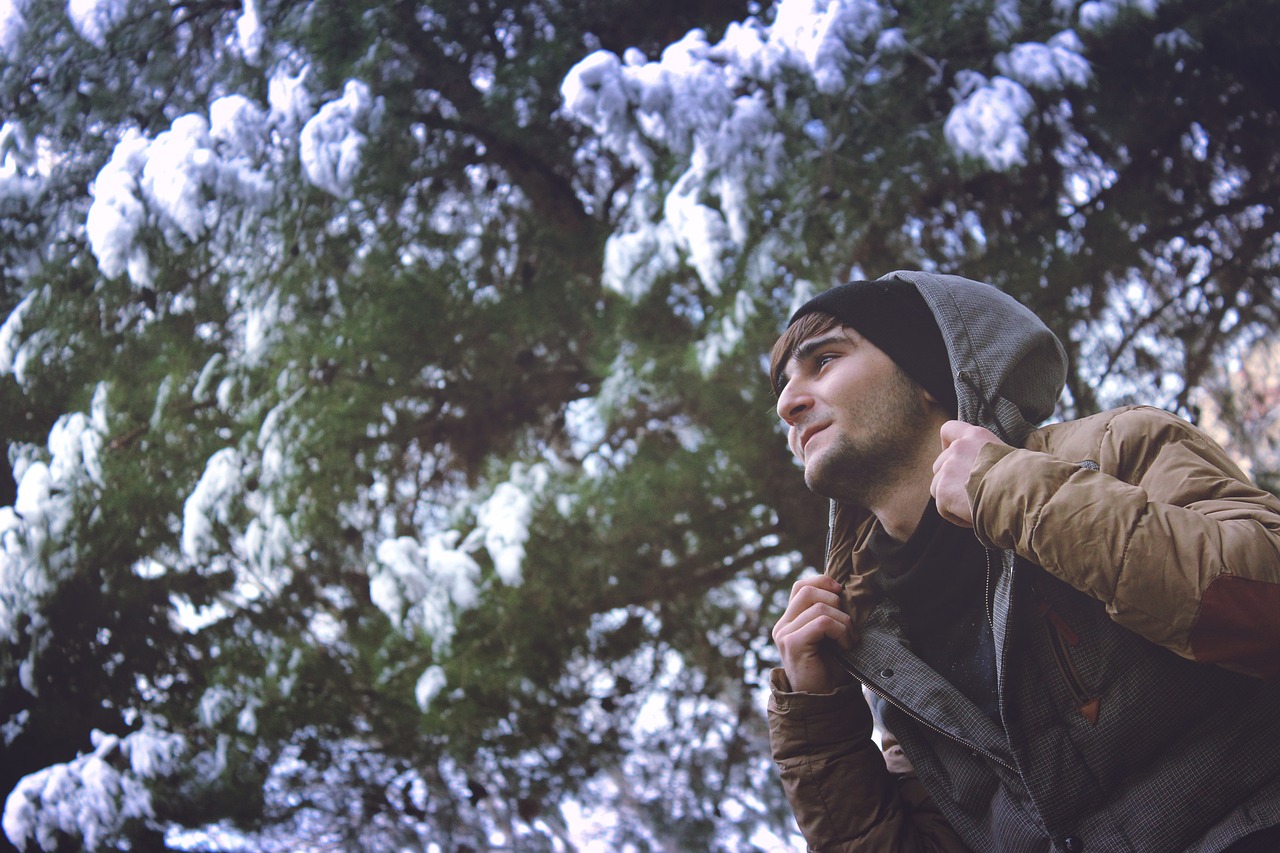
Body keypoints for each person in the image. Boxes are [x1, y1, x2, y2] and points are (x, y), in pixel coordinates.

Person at [766, 271, 1280, 853]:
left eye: (825, 360)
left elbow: (1265, 604)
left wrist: (1008, 489)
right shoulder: (876, 647)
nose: (788, 403)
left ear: (932, 371)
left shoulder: (1117, 450)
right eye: (783, 386)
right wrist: (820, 726)